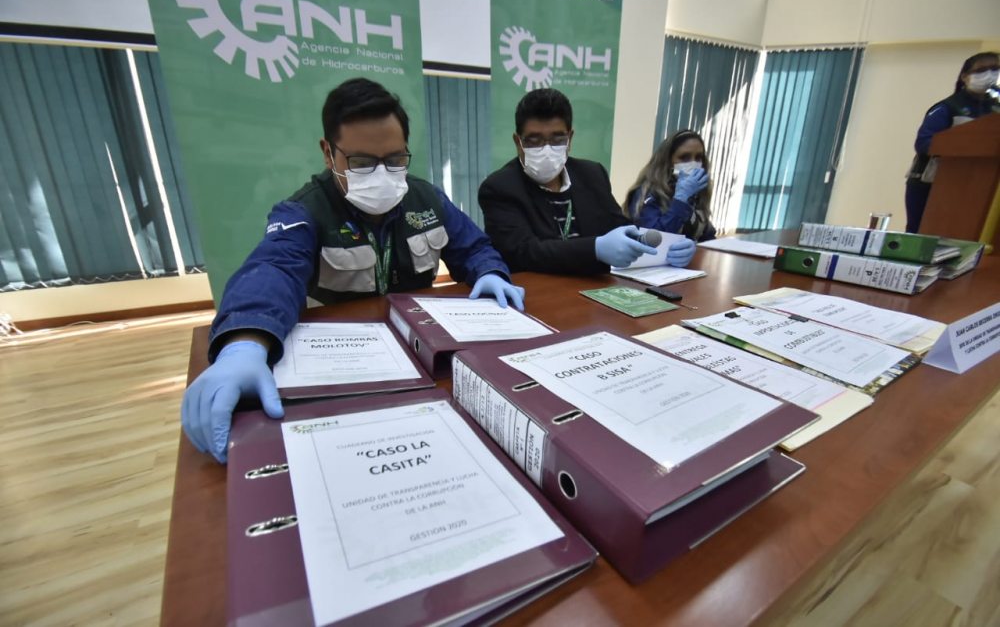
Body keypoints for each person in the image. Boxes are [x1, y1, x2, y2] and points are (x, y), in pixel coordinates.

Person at [182, 78, 525, 463]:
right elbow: (273, 269)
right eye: (362, 163)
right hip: (340, 370)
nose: (382, 175)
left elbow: (474, 246)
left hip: (422, 357)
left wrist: (489, 272)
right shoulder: (304, 211)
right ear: (329, 153)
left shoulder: (426, 199)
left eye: (395, 160)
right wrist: (244, 344)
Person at [478, 88, 696, 275]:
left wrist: (667, 246)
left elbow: (620, 227)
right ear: (518, 142)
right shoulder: (499, 188)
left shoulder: (592, 174)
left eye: (557, 139)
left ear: (570, 138)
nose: (546, 149)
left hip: (597, 290)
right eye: (534, 141)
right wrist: (596, 248)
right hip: (540, 294)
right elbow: (523, 253)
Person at [905, 51, 999, 233]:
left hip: (975, 184)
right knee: (921, 232)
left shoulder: (995, 110)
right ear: (965, 76)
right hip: (931, 182)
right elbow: (923, 143)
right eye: (981, 70)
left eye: (994, 69)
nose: (989, 74)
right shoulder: (948, 107)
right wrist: (967, 147)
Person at [622, 129, 718, 242]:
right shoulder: (646, 192)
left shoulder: (696, 191)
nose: (693, 163)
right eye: (684, 157)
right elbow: (653, 240)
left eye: (698, 157)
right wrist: (681, 200)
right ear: (667, 161)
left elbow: (706, 236)